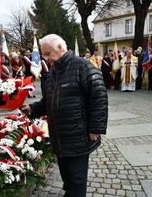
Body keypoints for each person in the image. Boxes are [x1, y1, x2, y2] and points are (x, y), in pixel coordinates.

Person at [20, 34, 108, 197]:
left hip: (78, 136)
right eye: (44, 54)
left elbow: (99, 98)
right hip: (59, 138)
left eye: (48, 53)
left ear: (60, 48)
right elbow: (48, 102)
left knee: (76, 181)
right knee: (68, 180)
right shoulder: (54, 72)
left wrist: (95, 128)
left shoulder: (83, 66)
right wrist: (31, 109)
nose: (45, 59)